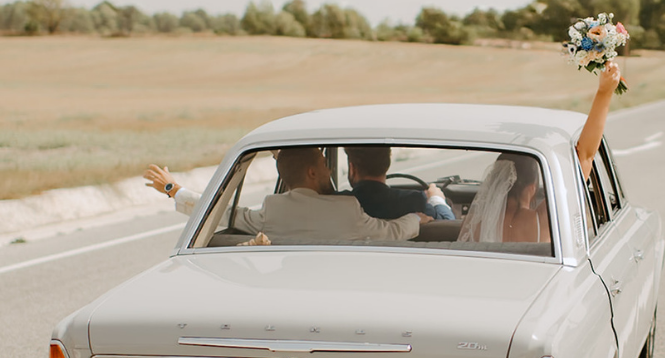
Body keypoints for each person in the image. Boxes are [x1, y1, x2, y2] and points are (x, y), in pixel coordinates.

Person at [458, 61, 621, 244]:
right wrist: (604, 92)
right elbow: (585, 156)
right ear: (532, 187)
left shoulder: (476, 224)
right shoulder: (543, 220)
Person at [145, 147, 429, 242]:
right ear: (312, 173)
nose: (330, 172)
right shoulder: (346, 208)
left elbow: (222, 211)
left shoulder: (272, 209)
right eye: (324, 166)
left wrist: (174, 190)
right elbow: (389, 232)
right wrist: (417, 218)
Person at [343, 145, 454, 221]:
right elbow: (448, 226)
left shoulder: (340, 203)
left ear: (352, 168)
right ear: (387, 164)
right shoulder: (414, 202)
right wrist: (436, 198)